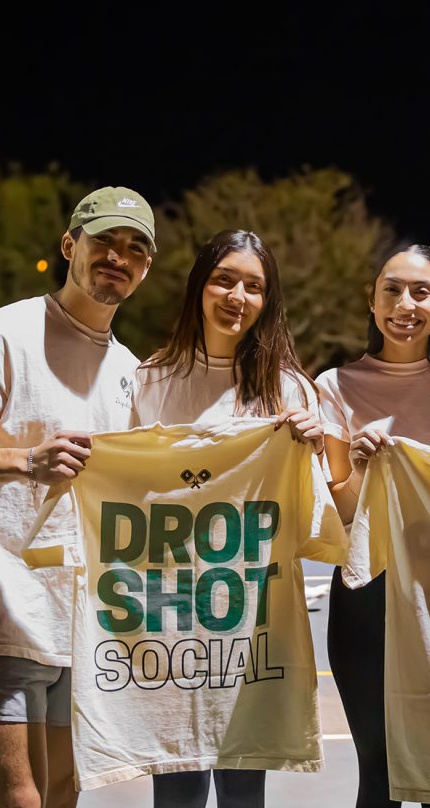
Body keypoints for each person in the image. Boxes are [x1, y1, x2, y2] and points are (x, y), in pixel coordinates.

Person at [0, 186, 156, 808]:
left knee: (65, 790)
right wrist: (24, 460)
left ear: (146, 269)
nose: (117, 257)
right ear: (70, 246)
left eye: (134, 249)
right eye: (104, 242)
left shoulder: (130, 370)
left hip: (81, 620)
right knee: (20, 796)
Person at [130, 229, 324, 808]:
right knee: (178, 789)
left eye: (254, 286)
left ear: (269, 300)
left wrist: (312, 449)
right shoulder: (148, 382)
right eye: (224, 279)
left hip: (251, 618)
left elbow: (310, 516)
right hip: (168, 619)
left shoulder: (289, 391)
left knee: (245, 793)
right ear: (199, 287)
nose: (237, 295)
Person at [315, 244, 430, 808]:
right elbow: (341, 511)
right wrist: (363, 468)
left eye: (421, 292)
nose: (404, 304)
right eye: (391, 289)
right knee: (380, 774)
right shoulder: (335, 387)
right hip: (370, 597)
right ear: (372, 300)